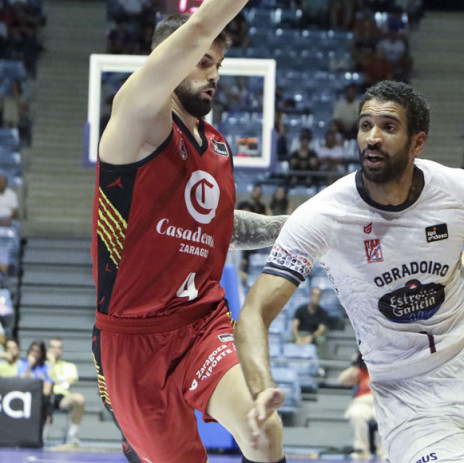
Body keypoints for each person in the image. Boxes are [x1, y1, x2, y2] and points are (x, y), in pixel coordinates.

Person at [235, 81, 464, 463]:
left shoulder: (460, 190)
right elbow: (255, 311)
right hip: (405, 389)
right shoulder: (322, 216)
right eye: (365, 125)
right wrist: (261, 385)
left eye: (388, 127)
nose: (372, 137)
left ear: (417, 143)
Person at [91, 4, 289, 462]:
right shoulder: (137, 120)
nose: (214, 74)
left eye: (218, 65)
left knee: (264, 432)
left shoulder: (217, 145)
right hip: (132, 337)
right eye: (203, 61)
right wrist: (204, 28)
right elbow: (200, 24)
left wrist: (298, 227)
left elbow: (222, 226)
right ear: (171, 57)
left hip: (201, 322)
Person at [338, 352, 386, 461]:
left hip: (380, 402)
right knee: (356, 415)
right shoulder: (359, 371)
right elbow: (342, 380)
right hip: (362, 402)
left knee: (386, 417)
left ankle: (384, 451)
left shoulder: (383, 370)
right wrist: (355, 364)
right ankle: (361, 450)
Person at [47, 337, 85, 445]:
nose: (56, 350)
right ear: (48, 349)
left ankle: (72, 435)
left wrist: (58, 379)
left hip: (61, 398)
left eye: (59, 347)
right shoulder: (42, 364)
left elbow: (68, 383)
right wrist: (52, 363)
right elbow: (46, 378)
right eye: (53, 347)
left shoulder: (70, 366)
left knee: (79, 399)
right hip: (44, 396)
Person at [291, 287, 328, 354]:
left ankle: (319, 363)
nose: (316, 298)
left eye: (318, 296)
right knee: (289, 340)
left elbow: (321, 329)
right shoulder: (300, 309)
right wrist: (297, 337)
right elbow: (294, 326)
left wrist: (311, 337)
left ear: (320, 298)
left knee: (321, 340)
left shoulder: (323, 312)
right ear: (310, 296)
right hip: (300, 333)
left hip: (313, 335)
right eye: (314, 295)